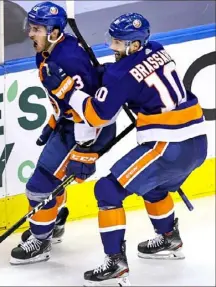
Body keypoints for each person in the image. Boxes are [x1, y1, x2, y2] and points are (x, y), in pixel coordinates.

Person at [41, 12, 208, 285]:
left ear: (135, 46)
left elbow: (97, 115)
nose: (112, 47)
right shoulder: (158, 49)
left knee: (107, 190)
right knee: (154, 186)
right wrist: (110, 77)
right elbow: (138, 79)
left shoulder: (120, 74)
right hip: (198, 142)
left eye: (118, 43)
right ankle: (169, 238)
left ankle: (115, 264)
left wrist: (67, 91)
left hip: (168, 144)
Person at [10, 1, 116, 265]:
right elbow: (65, 98)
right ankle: (53, 222)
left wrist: (85, 149)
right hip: (70, 123)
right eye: (30, 27)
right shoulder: (48, 51)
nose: (30, 34)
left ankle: (41, 240)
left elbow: (90, 109)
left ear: (55, 32)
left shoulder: (68, 59)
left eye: (36, 29)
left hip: (87, 129)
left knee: (39, 186)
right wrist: (55, 118)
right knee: (48, 179)